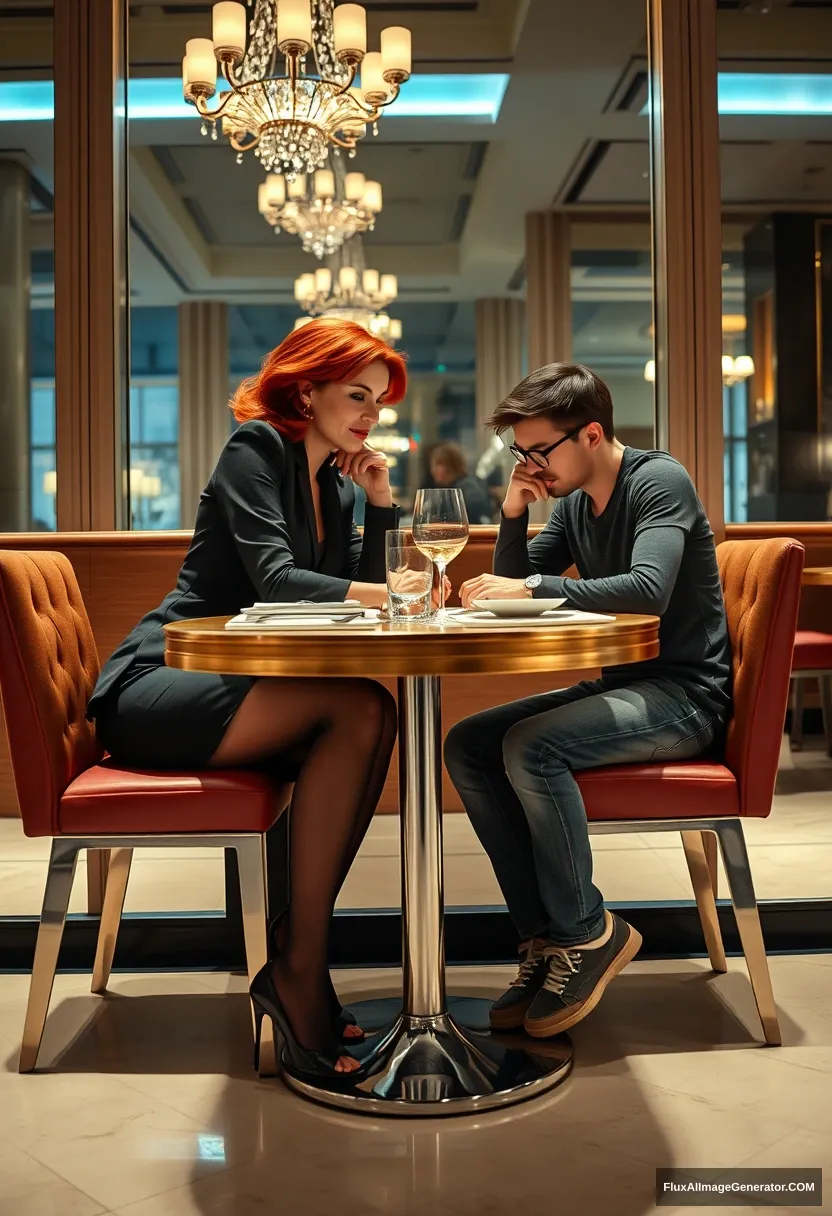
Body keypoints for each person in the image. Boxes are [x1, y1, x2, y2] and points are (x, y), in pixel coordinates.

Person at [87, 318, 408, 1079]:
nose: (371, 414)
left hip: (235, 687)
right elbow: (281, 583)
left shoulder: (331, 478)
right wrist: (394, 597)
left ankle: (300, 961)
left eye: (379, 402)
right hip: (163, 684)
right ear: (308, 389)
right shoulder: (256, 450)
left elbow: (348, 585)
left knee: (374, 711)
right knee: (358, 709)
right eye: (357, 395)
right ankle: (297, 967)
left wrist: (381, 501)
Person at [444, 363, 731, 1039]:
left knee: (530, 746)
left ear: (592, 433)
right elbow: (511, 585)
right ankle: (543, 943)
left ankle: (587, 933)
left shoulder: (658, 481)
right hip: (627, 686)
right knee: (468, 744)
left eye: (538, 451)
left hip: (687, 696)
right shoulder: (574, 504)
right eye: (521, 452)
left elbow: (646, 590)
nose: (531, 465)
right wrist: (514, 508)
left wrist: (538, 588)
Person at [429, 442, 495, 523]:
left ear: (451, 465)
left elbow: (479, 521)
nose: (433, 470)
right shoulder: (456, 488)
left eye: (437, 465)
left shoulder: (468, 488)